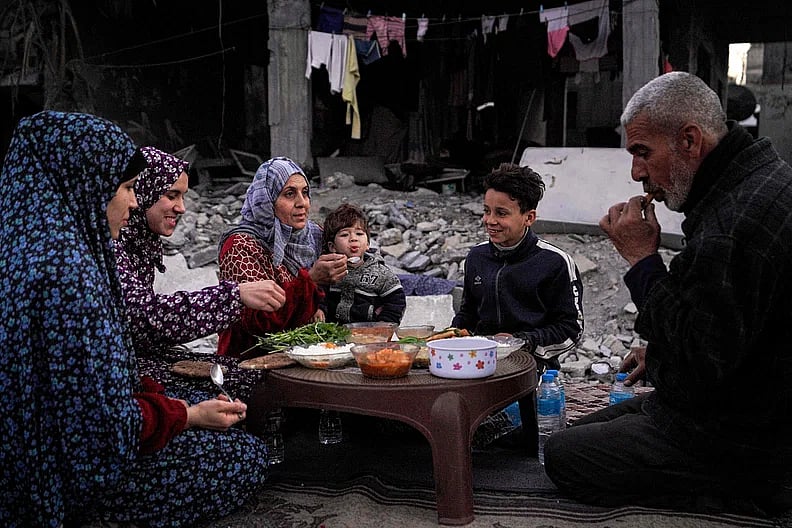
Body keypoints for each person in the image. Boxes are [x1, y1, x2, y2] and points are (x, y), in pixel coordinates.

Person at [0, 111, 268, 527]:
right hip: (66, 476)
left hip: (47, 456)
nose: (134, 200)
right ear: (86, 185)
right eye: (127, 187)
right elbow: (105, 427)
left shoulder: (30, 249)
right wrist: (185, 414)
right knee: (243, 454)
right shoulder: (67, 278)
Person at [544, 72, 792, 516]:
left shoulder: (732, 224)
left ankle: (742, 494)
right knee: (573, 433)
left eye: (643, 153)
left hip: (740, 434)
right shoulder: (754, 180)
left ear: (690, 141)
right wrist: (661, 352)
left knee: (565, 457)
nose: (636, 173)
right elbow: (723, 324)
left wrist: (642, 260)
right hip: (742, 395)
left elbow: (701, 366)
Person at [115, 145, 286, 357]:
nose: (182, 208)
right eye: (171, 196)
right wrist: (233, 296)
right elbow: (142, 318)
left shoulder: (143, 242)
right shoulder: (240, 243)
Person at [451, 162, 584, 372]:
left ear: (529, 217)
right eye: (486, 211)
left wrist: (523, 342)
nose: (490, 221)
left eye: (501, 213)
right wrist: (452, 336)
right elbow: (468, 313)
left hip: (532, 369)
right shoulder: (477, 257)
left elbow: (571, 329)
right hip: (477, 366)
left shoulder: (555, 262)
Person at [217, 156, 348, 357]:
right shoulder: (241, 246)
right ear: (267, 200)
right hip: (252, 359)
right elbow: (259, 322)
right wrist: (310, 280)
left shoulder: (315, 235)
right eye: (289, 194)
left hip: (311, 351)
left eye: (305, 193)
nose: (302, 203)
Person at [317, 203, 406, 323]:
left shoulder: (380, 273)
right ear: (332, 246)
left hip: (368, 332)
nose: (353, 238)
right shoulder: (329, 271)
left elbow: (397, 301)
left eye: (359, 234)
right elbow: (319, 293)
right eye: (344, 234)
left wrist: (384, 324)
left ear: (368, 243)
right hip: (333, 331)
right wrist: (319, 308)